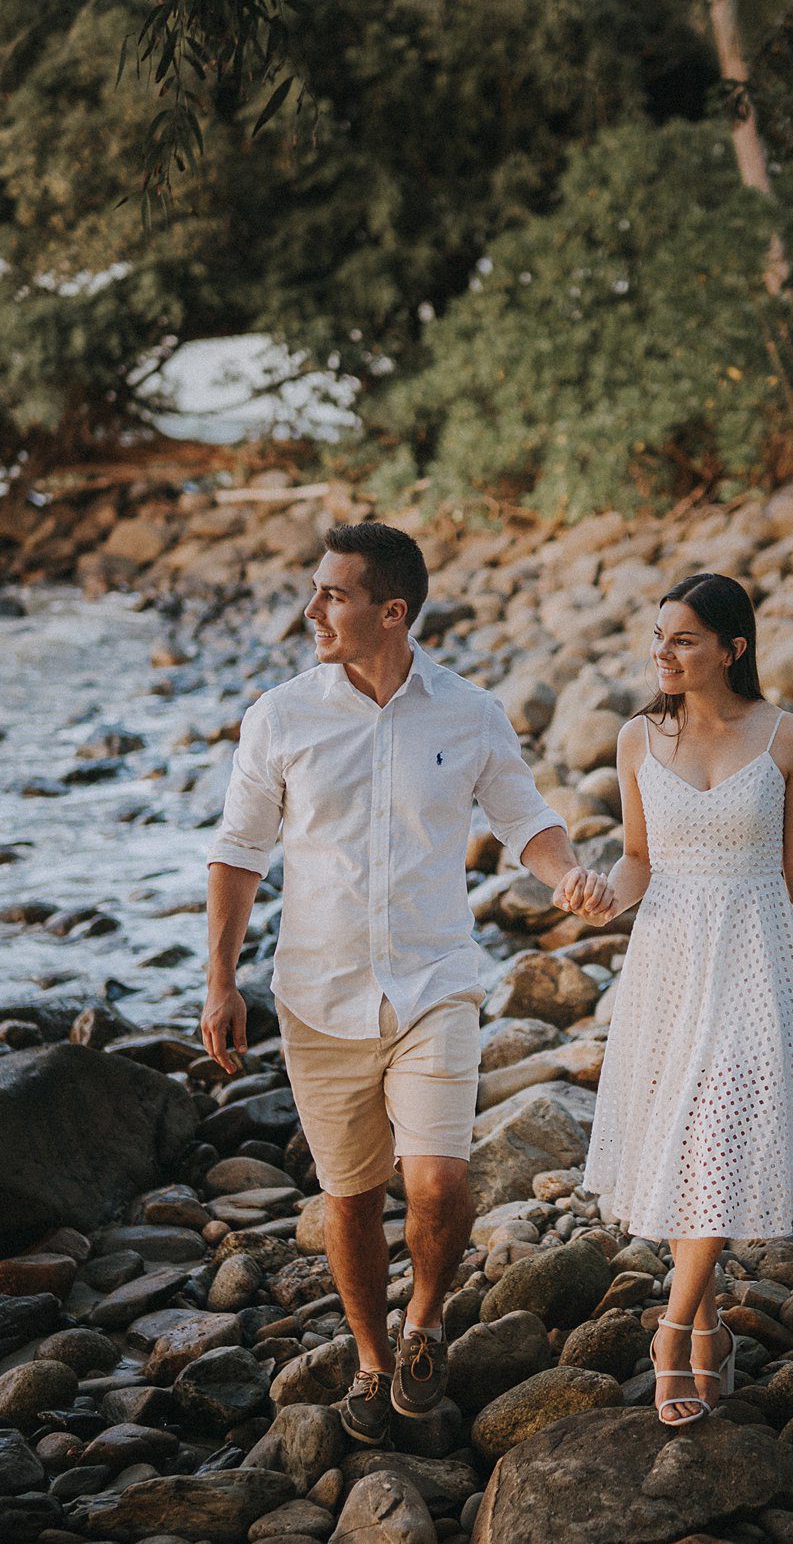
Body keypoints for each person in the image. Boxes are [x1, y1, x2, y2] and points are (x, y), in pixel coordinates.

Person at [202, 521, 611, 1446]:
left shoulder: (469, 713)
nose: (312, 611)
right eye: (315, 591)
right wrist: (219, 983)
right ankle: (372, 1358)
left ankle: (423, 1321)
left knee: (436, 1183)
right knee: (348, 1199)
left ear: (392, 612)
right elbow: (237, 856)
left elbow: (526, 819)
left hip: (434, 984)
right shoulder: (279, 718)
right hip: (318, 993)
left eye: (332, 595)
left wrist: (569, 879)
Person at [577, 571, 793, 1427]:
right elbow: (638, 858)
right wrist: (604, 895)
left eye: (684, 640)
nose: (664, 655)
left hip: (758, 950)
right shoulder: (635, 739)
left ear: (733, 648)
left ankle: (671, 1329)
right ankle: (713, 1332)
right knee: (691, 1137)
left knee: (719, 1121)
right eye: (659, 639)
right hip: (670, 954)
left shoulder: (787, 737)